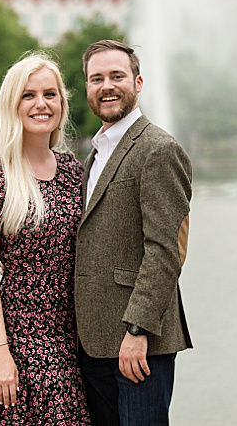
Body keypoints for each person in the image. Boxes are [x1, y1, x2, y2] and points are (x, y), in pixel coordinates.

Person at [0, 52, 90, 425]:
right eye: (28, 95)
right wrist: (1, 354)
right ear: (12, 104)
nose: (41, 104)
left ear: (62, 104)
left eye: (50, 94)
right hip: (21, 339)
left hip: (76, 337)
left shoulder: (73, 170)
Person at [75, 40, 192, 426]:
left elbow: (165, 250)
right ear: (88, 88)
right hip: (94, 342)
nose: (106, 86)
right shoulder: (94, 154)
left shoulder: (158, 149)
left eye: (116, 76)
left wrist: (137, 329)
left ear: (137, 82)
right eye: (97, 79)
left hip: (139, 342)